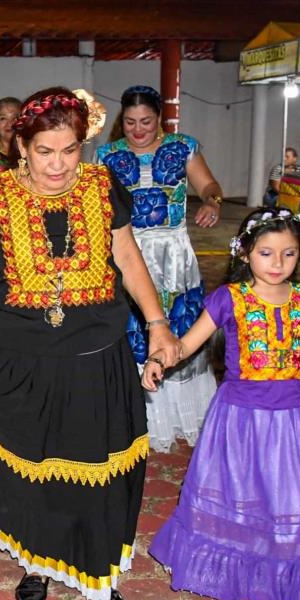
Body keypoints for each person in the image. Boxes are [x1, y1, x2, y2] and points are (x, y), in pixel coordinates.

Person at [0, 88, 180, 600]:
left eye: (70, 150)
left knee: (93, 463)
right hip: (17, 353)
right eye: (44, 152)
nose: (58, 165)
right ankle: (38, 562)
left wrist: (157, 324)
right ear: (21, 147)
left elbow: (125, 253)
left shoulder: (104, 186)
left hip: (95, 350)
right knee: (32, 464)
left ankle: (94, 568)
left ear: (84, 145)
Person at [145, 208, 300, 600]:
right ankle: (247, 580)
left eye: (288, 254)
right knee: (247, 496)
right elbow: (187, 344)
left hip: (293, 418)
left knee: (289, 498)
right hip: (241, 420)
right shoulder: (230, 298)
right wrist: (162, 358)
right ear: (245, 252)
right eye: (266, 253)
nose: (277, 264)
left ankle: (290, 578)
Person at [95, 85, 221, 453]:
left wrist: (212, 201)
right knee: (132, 328)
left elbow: (209, 185)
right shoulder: (107, 155)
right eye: (131, 122)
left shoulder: (183, 147)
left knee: (181, 327)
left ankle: (181, 414)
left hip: (175, 253)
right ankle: (139, 417)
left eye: (146, 122)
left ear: (159, 119)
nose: (137, 130)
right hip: (129, 251)